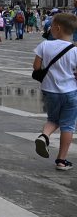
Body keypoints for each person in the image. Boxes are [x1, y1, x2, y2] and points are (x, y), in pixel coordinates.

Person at [34, 12, 77, 171]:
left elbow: (36, 67)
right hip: (70, 92)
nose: (49, 28)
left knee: (53, 119)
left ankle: (44, 136)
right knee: (67, 125)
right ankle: (61, 160)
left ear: (57, 28)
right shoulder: (74, 50)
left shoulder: (44, 45)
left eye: (51, 26)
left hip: (49, 91)